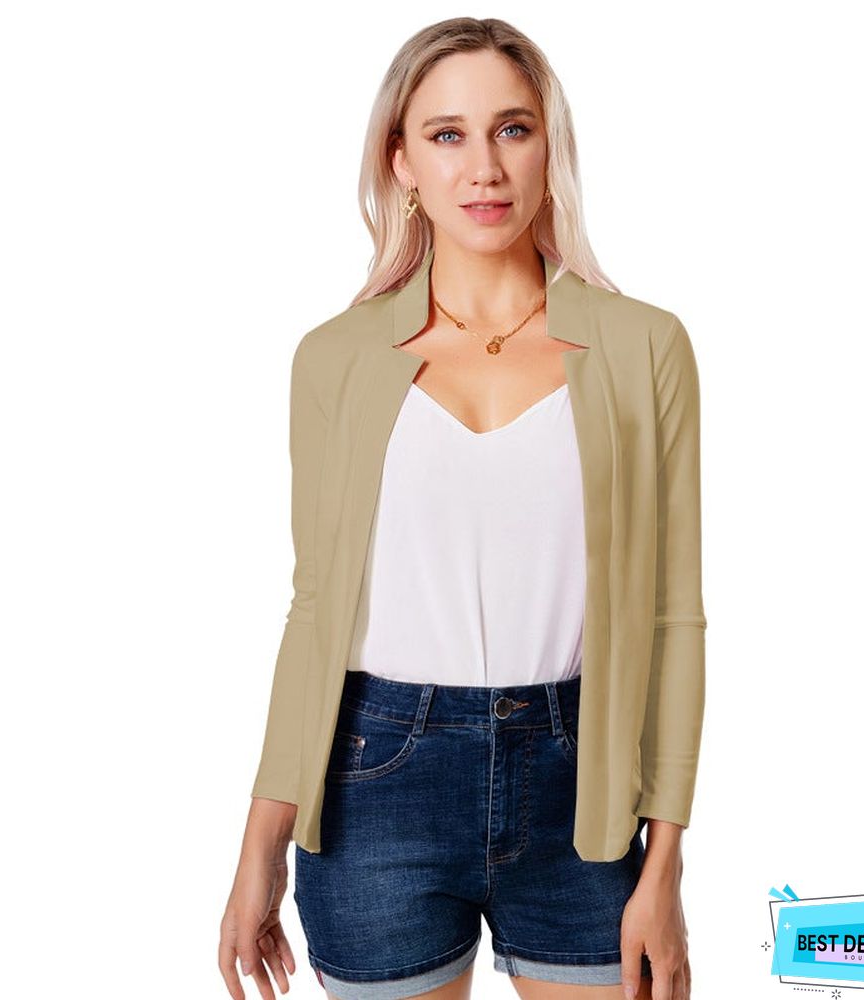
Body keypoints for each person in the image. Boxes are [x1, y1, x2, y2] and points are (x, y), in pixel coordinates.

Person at [220, 17, 706, 1000]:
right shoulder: (336, 359)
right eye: (447, 134)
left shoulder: (644, 347)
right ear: (400, 160)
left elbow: (673, 615)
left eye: (511, 129)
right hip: (374, 782)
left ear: (548, 148)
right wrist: (260, 842)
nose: (483, 167)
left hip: (584, 785)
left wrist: (665, 863)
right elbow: (315, 610)